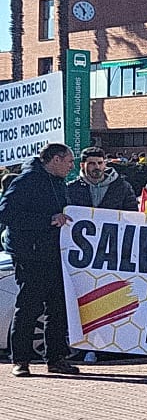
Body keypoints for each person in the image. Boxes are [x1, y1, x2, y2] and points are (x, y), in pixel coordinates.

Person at [0, 143, 79, 376]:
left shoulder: (57, 182)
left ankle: (56, 358)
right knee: (29, 307)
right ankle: (21, 360)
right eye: (69, 162)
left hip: (55, 254)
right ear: (55, 159)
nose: (72, 167)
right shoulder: (27, 181)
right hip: (31, 255)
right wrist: (47, 220)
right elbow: (6, 214)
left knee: (57, 309)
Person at [66, 147, 137, 211]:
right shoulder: (70, 188)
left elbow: (132, 214)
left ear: (105, 164)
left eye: (100, 163)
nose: (97, 167)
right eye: (92, 163)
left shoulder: (123, 187)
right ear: (82, 165)